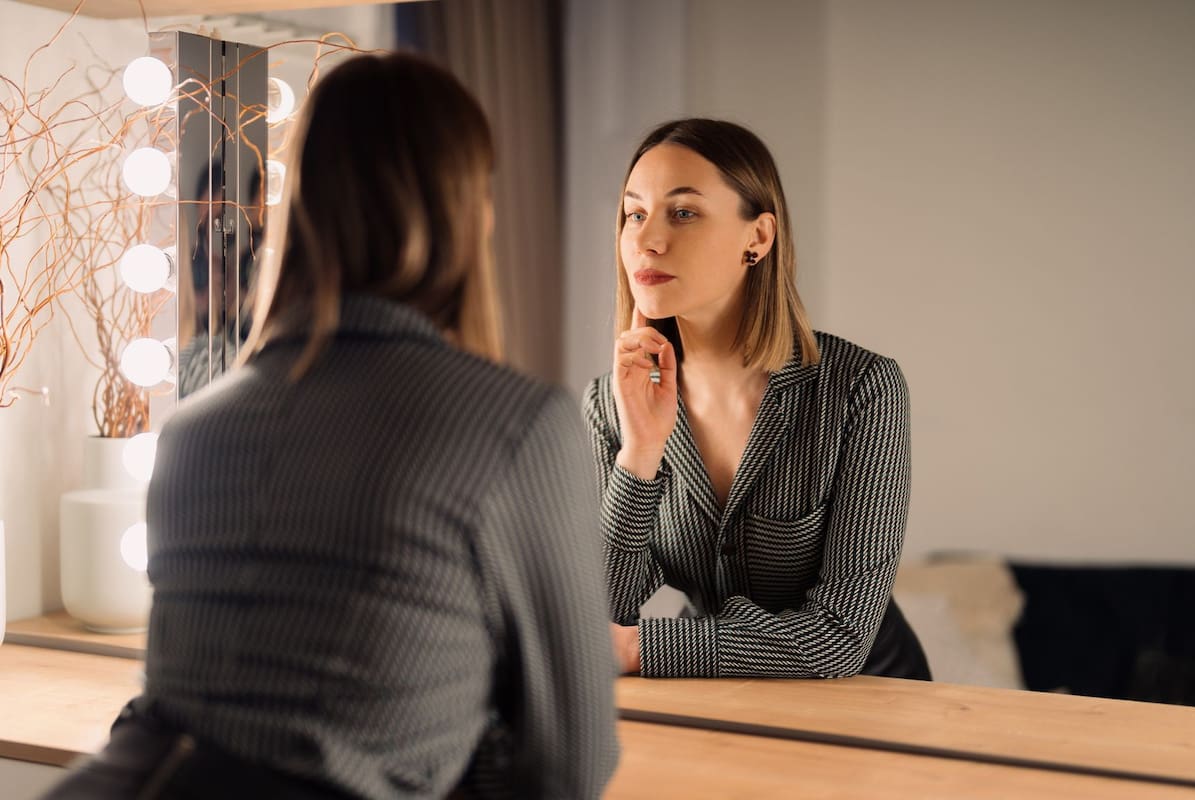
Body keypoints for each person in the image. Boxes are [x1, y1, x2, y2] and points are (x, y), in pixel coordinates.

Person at [44, 52, 618, 799]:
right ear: (462, 211)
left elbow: (184, 705)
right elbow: (567, 767)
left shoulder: (194, 427)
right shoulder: (516, 426)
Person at [584, 118, 931, 681]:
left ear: (758, 238)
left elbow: (838, 636)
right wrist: (640, 454)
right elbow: (596, 615)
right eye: (634, 213)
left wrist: (640, 649)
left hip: (872, 701)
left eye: (684, 212)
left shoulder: (862, 389)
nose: (647, 239)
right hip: (720, 702)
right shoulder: (610, 403)